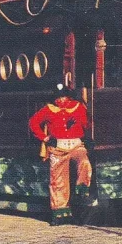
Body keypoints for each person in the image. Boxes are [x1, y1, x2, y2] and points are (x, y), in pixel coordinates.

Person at [28, 85, 93, 225]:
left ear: (68, 96)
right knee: (57, 180)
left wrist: (83, 128)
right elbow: (33, 123)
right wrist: (44, 138)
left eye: (63, 96)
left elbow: (87, 124)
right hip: (57, 149)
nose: (60, 100)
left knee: (84, 163)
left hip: (76, 146)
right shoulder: (48, 109)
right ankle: (60, 214)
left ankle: (81, 190)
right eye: (57, 97)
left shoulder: (78, 107)